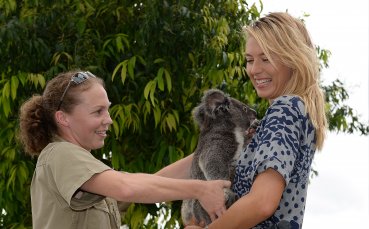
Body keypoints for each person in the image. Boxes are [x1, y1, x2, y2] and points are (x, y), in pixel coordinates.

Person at [161, 12, 327, 228]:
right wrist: (133, 187)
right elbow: (207, 154)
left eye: (266, 58)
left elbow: (262, 203)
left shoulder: (286, 109)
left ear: (292, 58)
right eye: (249, 60)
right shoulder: (275, 120)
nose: (254, 70)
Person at [18, 70, 231, 229]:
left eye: (107, 109)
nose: (108, 120)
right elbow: (126, 187)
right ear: (63, 118)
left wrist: (212, 151)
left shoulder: (87, 174)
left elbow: (146, 183)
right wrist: (201, 189)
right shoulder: (59, 154)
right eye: (98, 112)